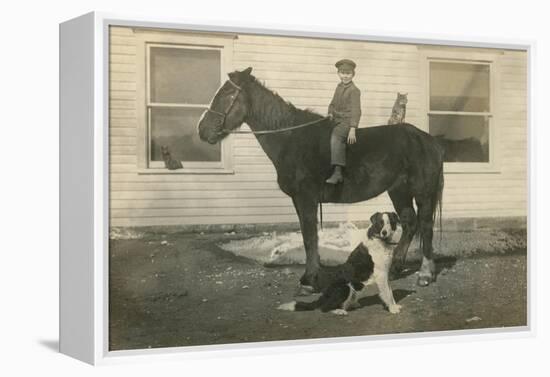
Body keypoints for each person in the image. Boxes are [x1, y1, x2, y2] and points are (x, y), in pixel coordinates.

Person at [326, 59, 362, 184]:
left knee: (336, 137)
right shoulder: (339, 87)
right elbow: (332, 103)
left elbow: (356, 110)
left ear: (353, 75)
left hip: (346, 121)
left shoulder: (354, 91)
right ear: (338, 74)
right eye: (342, 73)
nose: (345, 76)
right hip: (335, 119)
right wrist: (330, 113)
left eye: (348, 73)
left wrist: (353, 128)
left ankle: (337, 172)